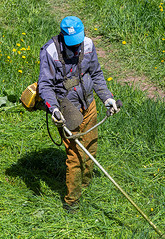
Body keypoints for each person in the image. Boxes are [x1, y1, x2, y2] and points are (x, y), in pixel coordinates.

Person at [38, 16, 119, 213]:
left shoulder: (89, 45)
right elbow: (45, 86)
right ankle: (72, 202)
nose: (76, 48)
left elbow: (97, 74)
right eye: (72, 44)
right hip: (66, 108)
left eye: (79, 43)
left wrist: (107, 99)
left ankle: (86, 185)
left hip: (88, 102)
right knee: (75, 155)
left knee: (91, 147)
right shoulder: (50, 52)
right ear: (62, 36)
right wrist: (54, 110)